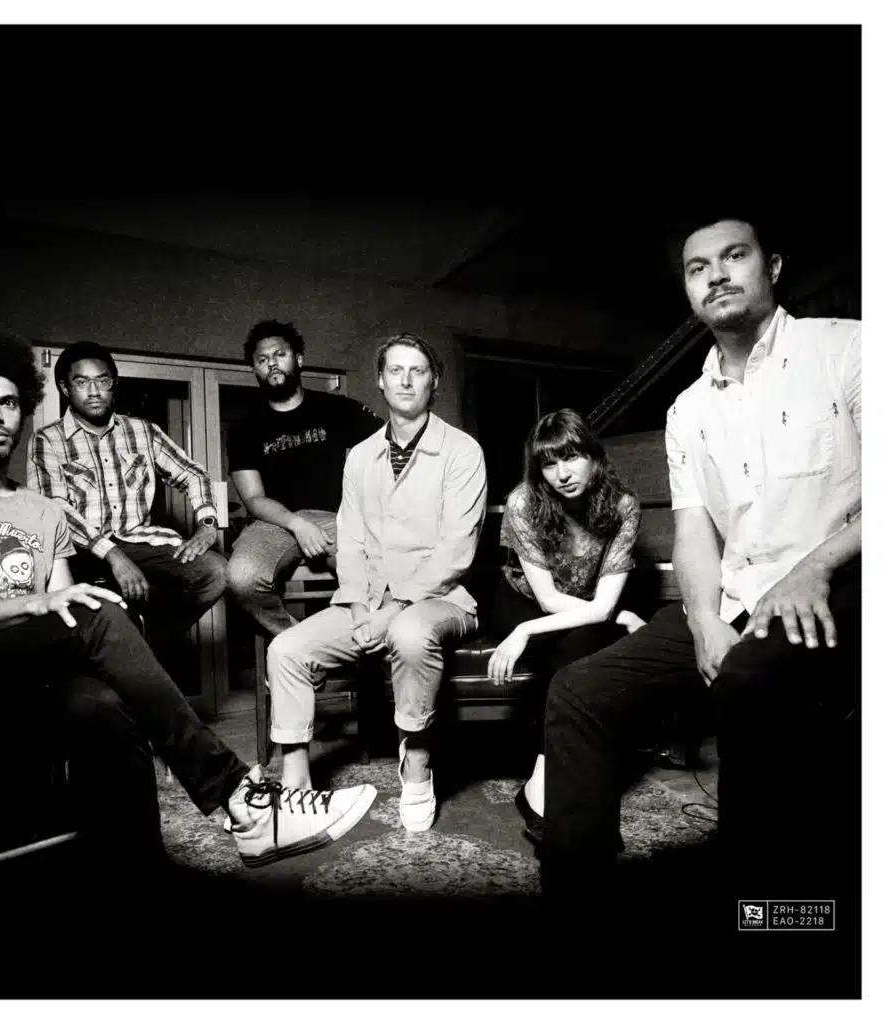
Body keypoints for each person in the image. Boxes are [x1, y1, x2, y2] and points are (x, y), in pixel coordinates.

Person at [0, 329, 377, 874]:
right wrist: (37, 604)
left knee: (106, 700)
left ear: (22, 413)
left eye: (7, 403)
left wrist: (201, 529)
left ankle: (145, 877)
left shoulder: (40, 512)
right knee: (100, 612)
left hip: (28, 674)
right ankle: (241, 795)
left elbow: (65, 616)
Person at [538, 216, 861, 906]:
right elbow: (693, 533)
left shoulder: (851, 348)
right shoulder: (686, 409)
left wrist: (814, 568)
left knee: (746, 682)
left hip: (843, 583)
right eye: (697, 267)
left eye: (734, 255)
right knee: (579, 692)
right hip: (738, 597)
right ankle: (576, 904)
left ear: (772, 266)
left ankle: (757, 908)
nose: (716, 275)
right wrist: (704, 620)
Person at [266, 333, 487, 831]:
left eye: (418, 371)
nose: (406, 380)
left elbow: (456, 550)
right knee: (286, 650)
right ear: (381, 382)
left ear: (434, 382)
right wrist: (360, 608)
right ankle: (297, 783)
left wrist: (393, 609)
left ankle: (417, 762)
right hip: (368, 600)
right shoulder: (361, 455)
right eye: (396, 371)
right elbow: (351, 540)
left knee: (409, 633)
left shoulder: (462, 451)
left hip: (442, 599)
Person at [482, 409, 645, 844]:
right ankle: (558, 789)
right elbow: (548, 601)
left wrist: (610, 612)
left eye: (572, 457)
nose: (562, 474)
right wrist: (525, 628)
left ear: (594, 457)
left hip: (586, 606)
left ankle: (542, 785)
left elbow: (601, 606)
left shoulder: (623, 506)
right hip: (522, 600)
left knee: (580, 646)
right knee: (572, 642)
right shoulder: (523, 502)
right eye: (549, 464)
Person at [27, 341, 228, 690]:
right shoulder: (48, 440)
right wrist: (114, 556)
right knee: (80, 629)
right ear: (65, 388)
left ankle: (142, 649)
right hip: (81, 552)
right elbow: (56, 510)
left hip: (141, 542)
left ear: (114, 384)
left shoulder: (143, 432)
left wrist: (208, 524)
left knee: (214, 571)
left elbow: (194, 474)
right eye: (81, 382)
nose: (93, 391)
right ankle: (122, 660)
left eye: (102, 381)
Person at [226, 320, 383, 636]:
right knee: (241, 578)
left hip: (337, 519)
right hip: (275, 523)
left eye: (280, 354)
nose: (272, 363)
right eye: (262, 359)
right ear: (254, 369)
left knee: (377, 577)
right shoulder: (245, 428)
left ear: (298, 359)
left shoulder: (338, 408)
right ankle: (297, 645)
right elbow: (254, 498)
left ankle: (361, 647)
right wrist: (297, 524)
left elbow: (388, 450)